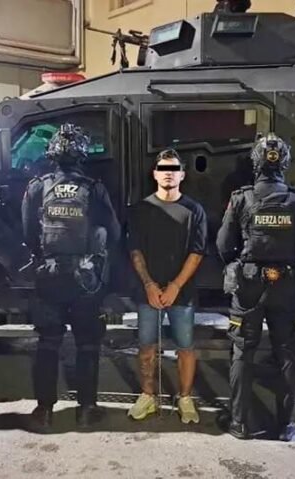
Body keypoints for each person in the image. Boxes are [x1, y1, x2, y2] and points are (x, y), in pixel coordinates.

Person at [216, 133, 295, 441]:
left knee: (243, 351)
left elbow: (223, 245)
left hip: (248, 283)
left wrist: (240, 263)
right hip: (285, 284)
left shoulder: (241, 197)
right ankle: (286, 425)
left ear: (255, 163)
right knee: (286, 351)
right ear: (284, 162)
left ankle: (240, 423)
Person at [21, 123, 120, 430]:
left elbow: (27, 232)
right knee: (87, 344)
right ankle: (87, 410)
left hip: (49, 275)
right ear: (82, 154)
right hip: (85, 278)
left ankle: (44, 411)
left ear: (52, 154)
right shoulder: (94, 188)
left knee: (48, 343)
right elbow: (113, 232)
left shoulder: (38, 186)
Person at [126, 149, 207, 424]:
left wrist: (175, 286)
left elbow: (197, 252)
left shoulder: (194, 210)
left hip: (182, 293)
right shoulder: (141, 210)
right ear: (155, 174)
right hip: (147, 291)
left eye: (173, 169)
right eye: (163, 169)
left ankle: (185, 398)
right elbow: (135, 250)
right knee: (146, 346)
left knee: (185, 346)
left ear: (182, 174)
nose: (168, 174)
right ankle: (148, 396)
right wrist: (149, 285)